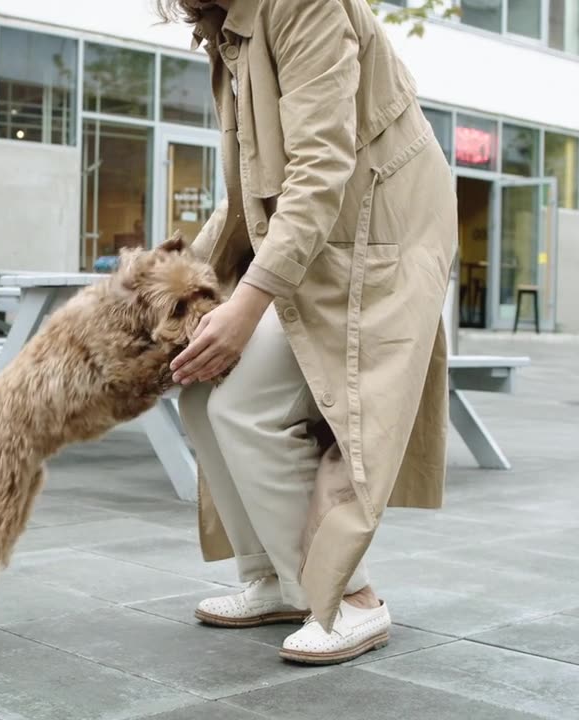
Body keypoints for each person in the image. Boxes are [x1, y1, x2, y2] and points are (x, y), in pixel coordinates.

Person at [159, 0, 456, 665]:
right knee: (204, 397)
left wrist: (246, 306)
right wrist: (186, 276)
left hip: (378, 239)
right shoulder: (229, 28)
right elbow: (249, 191)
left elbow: (320, 166)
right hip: (320, 239)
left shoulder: (304, 4)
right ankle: (274, 580)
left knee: (247, 403)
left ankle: (350, 598)